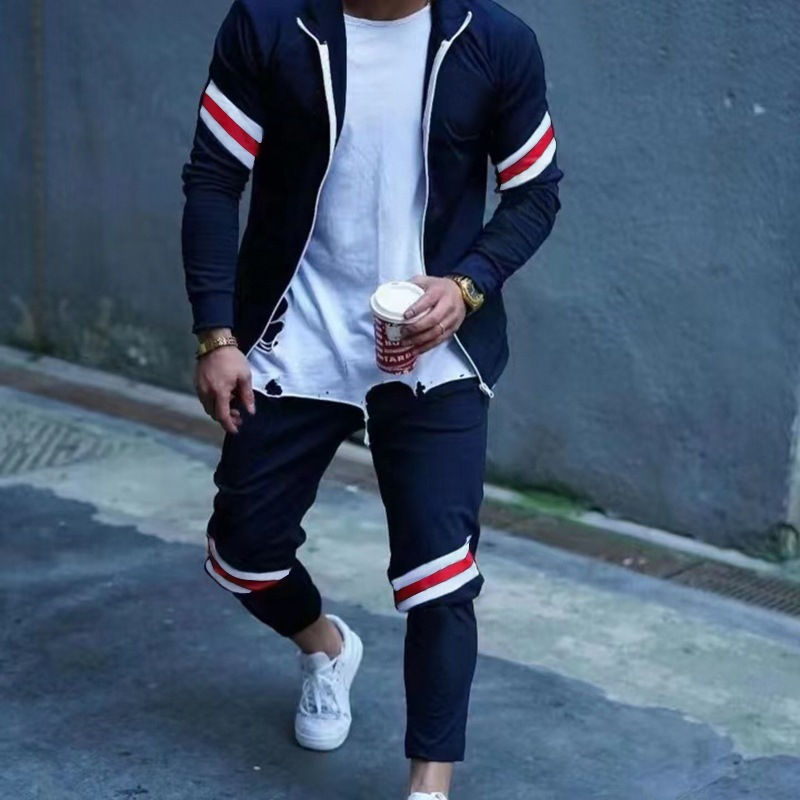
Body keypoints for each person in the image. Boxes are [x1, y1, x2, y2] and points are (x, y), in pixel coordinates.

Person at [181, 0, 561, 796]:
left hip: (433, 343)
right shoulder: (270, 24)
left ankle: (429, 786)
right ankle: (326, 647)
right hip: (299, 332)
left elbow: (534, 193)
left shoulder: (495, 42)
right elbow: (215, 179)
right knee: (243, 553)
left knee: (440, 575)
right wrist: (217, 335)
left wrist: (469, 284)